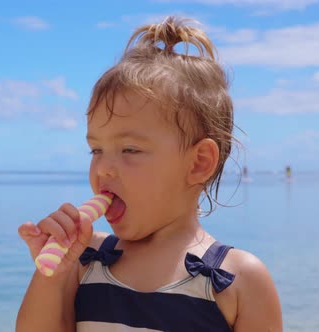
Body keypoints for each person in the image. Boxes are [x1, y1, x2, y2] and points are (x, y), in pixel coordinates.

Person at [16, 16, 282, 331]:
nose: (103, 167)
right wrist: (51, 277)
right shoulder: (83, 261)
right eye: (96, 150)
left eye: (130, 150)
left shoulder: (237, 281)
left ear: (198, 163)